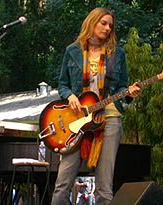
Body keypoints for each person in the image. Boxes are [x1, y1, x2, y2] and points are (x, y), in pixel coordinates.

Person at [51, 8, 142, 205]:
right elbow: (62, 85)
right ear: (92, 22)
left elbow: (122, 87)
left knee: (104, 186)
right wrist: (70, 96)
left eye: (110, 25)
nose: (108, 28)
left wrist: (130, 93)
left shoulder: (117, 53)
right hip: (76, 119)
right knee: (62, 183)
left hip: (108, 118)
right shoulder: (72, 51)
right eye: (103, 23)